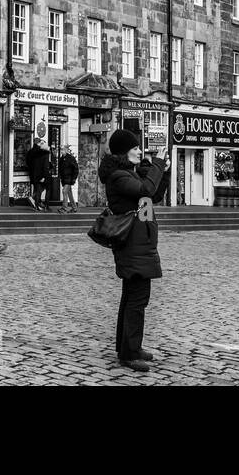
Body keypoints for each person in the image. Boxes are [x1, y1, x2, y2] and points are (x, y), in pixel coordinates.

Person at [98, 129, 168, 372]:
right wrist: (156, 164)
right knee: (136, 300)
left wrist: (162, 170)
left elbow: (152, 196)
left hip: (140, 243)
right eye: (135, 147)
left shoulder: (130, 173)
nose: (140, 151)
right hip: (131, 246)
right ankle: (129, 353)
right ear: (124, 151)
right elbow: (145, 191)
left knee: (133, 298)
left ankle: (128, 347)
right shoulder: (118, 176)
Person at [26, 138, 51, 212]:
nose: (43, 144)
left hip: (33, 173)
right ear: (39, 144)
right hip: (41, 174)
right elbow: (44, 165)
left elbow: (28, 162)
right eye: (42, 143)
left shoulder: (31, 151)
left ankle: (37, 202)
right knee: (41, 189)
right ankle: (38, 202)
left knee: (38, 188)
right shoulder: (42, 152)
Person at [58, 146, 79, 214]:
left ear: (66, 150)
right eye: (61, 150)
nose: (61, 151)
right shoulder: (61, 159)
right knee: (69, 194)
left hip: (69, 179)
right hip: (64, 179)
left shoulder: (71, 158)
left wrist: (74, 179)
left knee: (64, 191)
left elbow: (76, 169)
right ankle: (74, 208)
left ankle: (64, 208)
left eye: (63, 150)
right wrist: (60, 177)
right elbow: (60, 169)